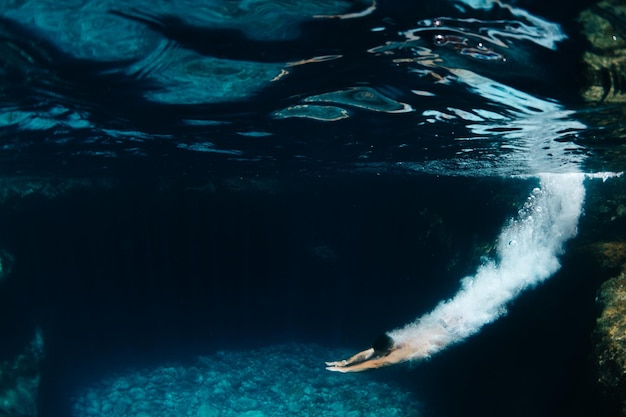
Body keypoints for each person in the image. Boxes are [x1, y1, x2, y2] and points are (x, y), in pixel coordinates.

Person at [325, 333, 411, 372]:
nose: (376, 354)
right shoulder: (391, 341)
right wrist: (346, 362)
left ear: (388, 350)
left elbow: (375, 364)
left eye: (380, 352)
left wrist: (345, 369)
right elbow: (366, 354)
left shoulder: (397, 355)